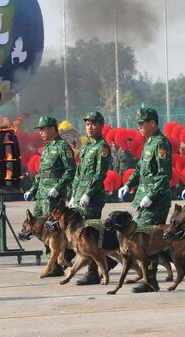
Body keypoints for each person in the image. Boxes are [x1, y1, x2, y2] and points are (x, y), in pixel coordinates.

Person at [117, 107, 172, 293]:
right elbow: (140, 169)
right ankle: (148, 278)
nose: (139, 127)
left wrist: (151, 195)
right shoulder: (149, 143)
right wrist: (128, 184)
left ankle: (151, 280)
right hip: (143, 196)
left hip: (156, 199)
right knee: (141, 238)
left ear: (152, 123)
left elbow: (164, 174)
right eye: (138, 124)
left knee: (149, 238)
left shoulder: (161, 143)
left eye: (142, 123)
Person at [68, 111, 118, 285]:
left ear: (100, 126)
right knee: (79, 234)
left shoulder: (102, 147)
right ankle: (107, 262)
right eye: (88, 124)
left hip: (92, 197)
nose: (90, 127)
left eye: (94, 124)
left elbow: (100, 174)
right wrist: (74, 194)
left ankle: (93, 273)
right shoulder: (87, 147)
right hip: (80, 195)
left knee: (89, 236)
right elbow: (78, 173)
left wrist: (89, 193)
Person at [23, 116, 76, 277]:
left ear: (52, 128)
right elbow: (41, 174)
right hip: (42, 194)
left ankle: (57, 262)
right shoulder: (47, 148)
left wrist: (58, 187)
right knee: (36, 226)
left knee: (50, 227)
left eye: (43, 129)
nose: (40, 132)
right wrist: (33, 189)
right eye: (39, 129)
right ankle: (57, 256)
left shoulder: (62, 146)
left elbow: (70, 170)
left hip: (53, 195)